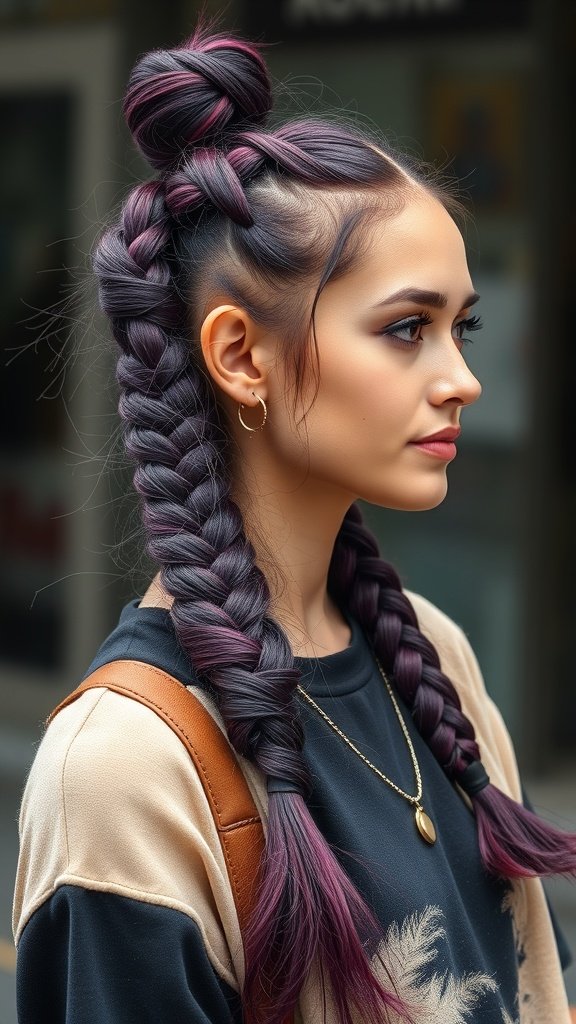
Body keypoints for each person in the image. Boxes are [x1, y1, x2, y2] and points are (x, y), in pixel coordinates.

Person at [12, 24, 576, 1024]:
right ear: (240, 357)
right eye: (408, 328)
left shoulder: (433, 654)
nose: (463, 379)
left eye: (462, 325)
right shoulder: (126, 769)